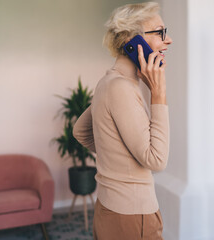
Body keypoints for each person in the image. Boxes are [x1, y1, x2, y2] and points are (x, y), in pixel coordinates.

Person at [73, 2, 173, 239]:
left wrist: (119, 160)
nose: (168, 40)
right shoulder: (122, 89)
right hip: (132, 217)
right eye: (160, 32)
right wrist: (159, 93)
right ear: (133, 41)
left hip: (110, 208)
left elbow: (80, 131)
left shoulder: (108, 83)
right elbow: (157, 160)